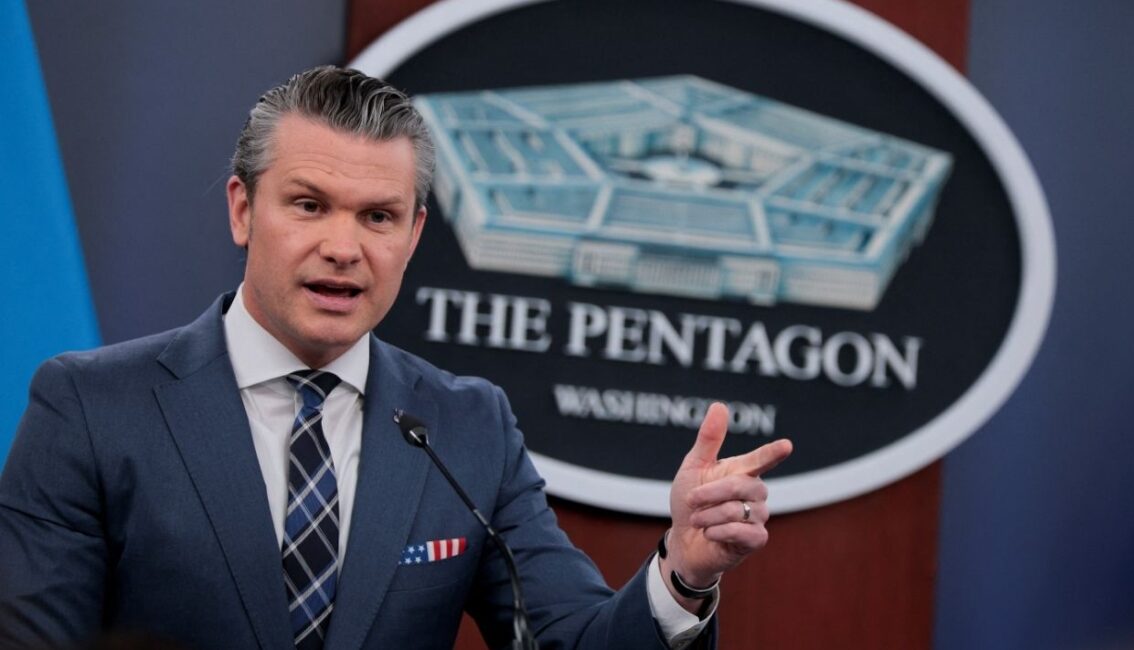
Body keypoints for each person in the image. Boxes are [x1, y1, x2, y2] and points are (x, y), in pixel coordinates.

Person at [0, 66, 792, 650]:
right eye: (309, 205)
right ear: (244, 210)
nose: (343, 247)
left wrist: (683, 574)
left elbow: (568, 640)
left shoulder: (465, 423)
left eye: (377, 216)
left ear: (413, 235)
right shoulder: (93, 407)